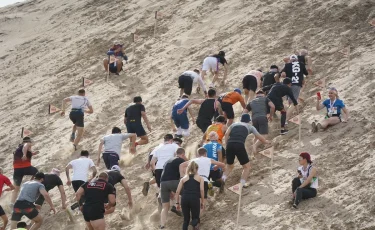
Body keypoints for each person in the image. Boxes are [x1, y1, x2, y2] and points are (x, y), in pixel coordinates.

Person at [221, 114, 271, 189]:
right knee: (247, 167)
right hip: (239, 145)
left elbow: (226, 134)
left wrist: (227, 144)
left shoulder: (234, 124)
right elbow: (260, 137)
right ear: (249, 121)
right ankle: (242, 184)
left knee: (229, 167)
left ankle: (222, 181)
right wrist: (267, 142)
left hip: (230, 145)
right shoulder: (250, 127)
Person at [159, 148, 187, 228]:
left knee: (165, 207)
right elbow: (184, 173)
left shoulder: (168, 161)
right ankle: (179, 208)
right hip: (174, 181)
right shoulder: (180, 160)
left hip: (163, 183)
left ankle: (162, 225)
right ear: (182, 155)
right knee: (186, 193)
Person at [175, 161, 204, 230]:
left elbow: (177, 192)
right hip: (194, 198)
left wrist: (177, 203)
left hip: (185, 199)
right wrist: (202, 201)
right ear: (197, 169)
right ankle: (194, 223)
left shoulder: (183, 179)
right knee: (196, 218)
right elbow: (202, 190)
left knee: (186, 220)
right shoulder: (200, 178)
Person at [11, 137, 39, 204]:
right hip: (26, 168)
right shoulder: (26, 144)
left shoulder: (18, 148)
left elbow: (25, 151)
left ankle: (11, 202)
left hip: (17, 170)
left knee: (16, 188)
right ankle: (31, 183)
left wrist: (33, 153)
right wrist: (24, 154)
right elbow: (25, 147)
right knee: (37, 172)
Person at [281, 54, 308, 121]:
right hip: (296, 84)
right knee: (293, 101)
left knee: (291, 101)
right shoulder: (301, 64)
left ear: (290, 60)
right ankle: (286, 118)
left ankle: (297, 113)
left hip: (288, 85)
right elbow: (306, 73)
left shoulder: (287, 65)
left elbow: (282, 74)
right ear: (297, 59)